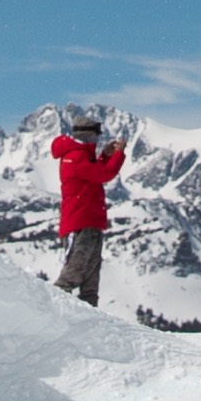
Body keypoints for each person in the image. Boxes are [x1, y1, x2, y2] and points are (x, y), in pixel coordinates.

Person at [48, 108, 128, 306]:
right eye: (96, 135)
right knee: (75, 269)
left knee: (91, 272)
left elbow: (94, 174)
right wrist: (118, 155)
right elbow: (103, 175)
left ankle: (90, 315)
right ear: (89, 135)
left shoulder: (81, 156)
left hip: (90, 220)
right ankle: (55, 306)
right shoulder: (74, 157)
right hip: (80, 221)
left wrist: (104, 156)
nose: (98, 139)